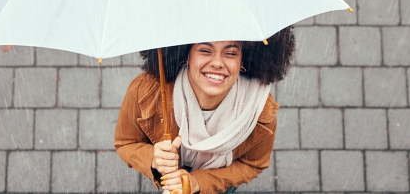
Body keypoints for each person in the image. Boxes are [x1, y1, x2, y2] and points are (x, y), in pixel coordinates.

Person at [115, 27, 295, 193]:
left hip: (219, 181)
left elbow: (253, 164)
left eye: (231, 53)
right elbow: (126, 142)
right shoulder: (146, 91)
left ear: (243, 60)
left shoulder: (259, 109)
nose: (217, 63)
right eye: (205, 50)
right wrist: (153, 159)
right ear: (186, 54)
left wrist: (199, 182)